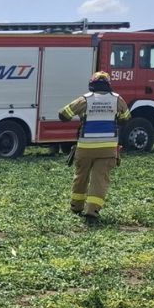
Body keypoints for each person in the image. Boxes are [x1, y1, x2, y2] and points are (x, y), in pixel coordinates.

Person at [59, 71, 131, 224]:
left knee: (81, 177)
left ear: (92, 83)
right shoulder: (117, 99)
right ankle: (92, 213)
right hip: (107, 149)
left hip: (85, 148)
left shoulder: (85, 99)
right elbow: (126, 119)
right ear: (108, 84)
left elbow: (63, 115)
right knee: (100, 180)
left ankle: (76, 207)